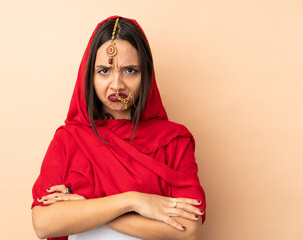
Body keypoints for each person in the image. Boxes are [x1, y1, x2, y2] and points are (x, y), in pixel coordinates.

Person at [31, 15, 206, 240]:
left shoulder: (173, 140)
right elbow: (44, 224)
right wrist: (134, 201)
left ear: (146, 75)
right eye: (104, 71)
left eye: (130, 70)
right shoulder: (68, 139)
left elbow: (188, 230)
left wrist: (87, 209)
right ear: (89, 76)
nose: (117, 84)